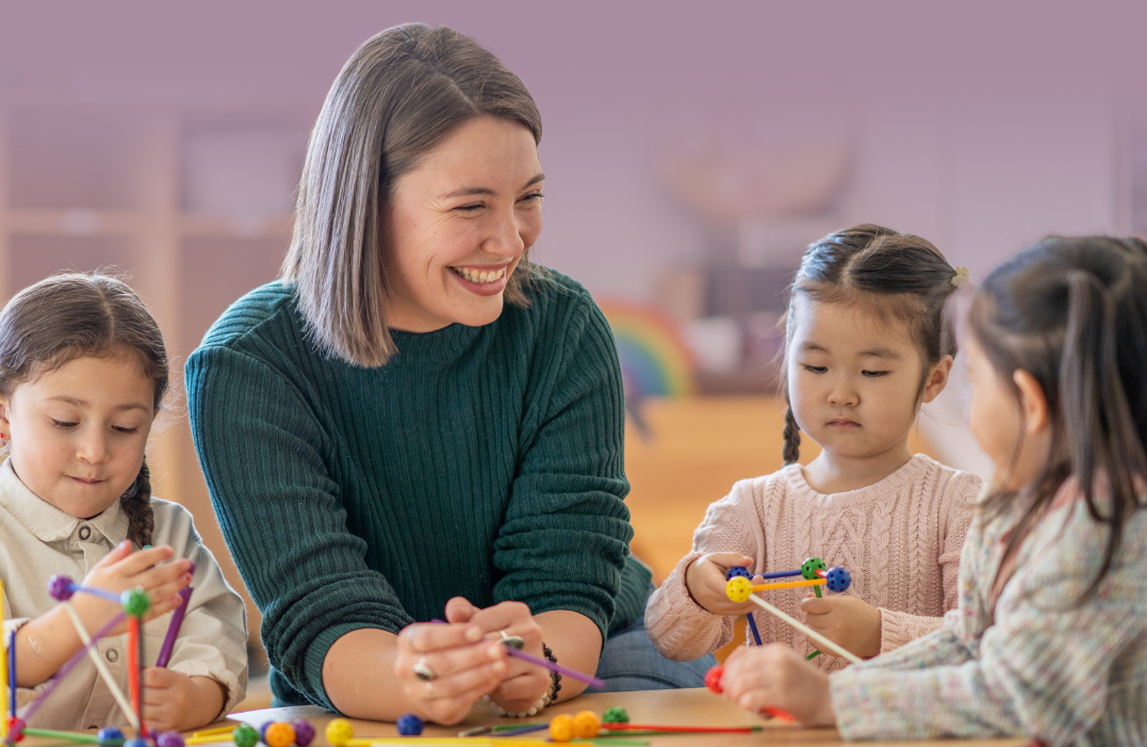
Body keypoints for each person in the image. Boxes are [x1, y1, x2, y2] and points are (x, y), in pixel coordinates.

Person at [184, 23, 711, 727]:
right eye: (470, 206)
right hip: (368, 688)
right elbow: (319, 614)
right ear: (363, 203)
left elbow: (569, 581)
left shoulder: (561, 326)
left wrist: (538, 667)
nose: (511, 239)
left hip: (598, 656)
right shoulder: (246, 365)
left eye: (527, 197)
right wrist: (421, 680)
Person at [717, 236, 1147, 744]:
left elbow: (1022, 698)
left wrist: (835, 701)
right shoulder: (1014, 504)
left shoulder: (1106, 530)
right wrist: (837, 691)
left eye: (978, 382)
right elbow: (970, 642)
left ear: (1029, 404)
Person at [646, 225, 981, 667]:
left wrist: (881, 633)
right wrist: (696, 588)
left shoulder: (960, 504)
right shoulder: (751, 508)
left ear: (933, 379)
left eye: (873, 372)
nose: (840, 393)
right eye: (816, 366)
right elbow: (674, 643)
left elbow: (986, 643)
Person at [0, 273, 247, 732]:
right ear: (4, 414)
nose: (94, 452)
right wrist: (82, 616)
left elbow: (217, 637)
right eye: (64, 421)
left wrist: (194, 695)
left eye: (124, 428)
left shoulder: (168, 533)